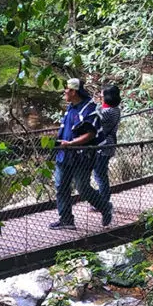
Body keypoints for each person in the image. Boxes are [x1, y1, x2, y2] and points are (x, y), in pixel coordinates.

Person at [49, 78, 113, 230]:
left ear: (74, 91)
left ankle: (105, 207)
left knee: (82, 187)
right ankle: (66, 220)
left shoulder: (89, 108)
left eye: (67, 89)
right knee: (61, 186)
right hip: (64, 155)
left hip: (82, 156)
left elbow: (90, 134)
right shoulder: (71, 107)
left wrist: (71, 144)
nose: (64, 91)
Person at [93, 84, 122, 206]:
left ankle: (103, 201)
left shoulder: (108, 112)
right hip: (109, 144)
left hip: (104, 145)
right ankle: (103, 199)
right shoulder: (116, 109)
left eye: (102, 95)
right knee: (101, 172)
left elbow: (93, 119)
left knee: (99, 174)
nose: (100, 97)